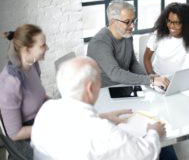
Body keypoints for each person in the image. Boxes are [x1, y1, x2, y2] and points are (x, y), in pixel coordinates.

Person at [31, 56, 166, 160]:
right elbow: (145, 154)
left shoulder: (46, 110)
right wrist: (154, 132)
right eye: (99, 81)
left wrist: (103, 116)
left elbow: (74, 124)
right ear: (90, 88)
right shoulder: (104, 133)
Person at [87, 0, 169, 89]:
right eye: (127, 22)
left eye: (133, 21)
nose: (132, 26)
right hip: (101, 92)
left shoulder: (127, 35)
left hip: (121, 86)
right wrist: (149, 81)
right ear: (113, 22)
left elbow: (132, 63)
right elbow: (115, 74)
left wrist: (150, 79)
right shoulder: (99, 42)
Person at [0, 24, 49, 159]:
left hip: (39, 122)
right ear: (27, 50)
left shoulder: (33, 65)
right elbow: (15, 134)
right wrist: (48, 126)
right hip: (25, 138)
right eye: (43, 45)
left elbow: (38, 96)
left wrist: (57, 104)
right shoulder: (10, 83)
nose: (47, 48)